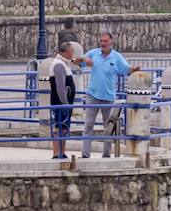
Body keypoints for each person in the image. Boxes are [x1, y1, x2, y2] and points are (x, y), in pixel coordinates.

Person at [77, 31, 139, 159]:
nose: (103, 44)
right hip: (92, 96)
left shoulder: (117, 57)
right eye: (101, 41)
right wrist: (83, 60)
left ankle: (106, 155)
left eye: (105, 41)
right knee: (88, 126)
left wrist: (135, 70)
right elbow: (77, 62)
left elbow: (127, 70)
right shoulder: (93, 53)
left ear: (111, 42)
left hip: (108, 98)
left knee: (108, 129)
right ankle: (85, 155)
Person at [49, 42, 77, 160]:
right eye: (72, 51)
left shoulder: (63, 63)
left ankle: (62, 152)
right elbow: (60, 87)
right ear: (68, 52)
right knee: (59, 126)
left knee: (64, 127)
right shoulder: (59, 65)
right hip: (61, 103)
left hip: (64, 102)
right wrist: (65, 104)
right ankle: (57, 153)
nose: (73, 54)